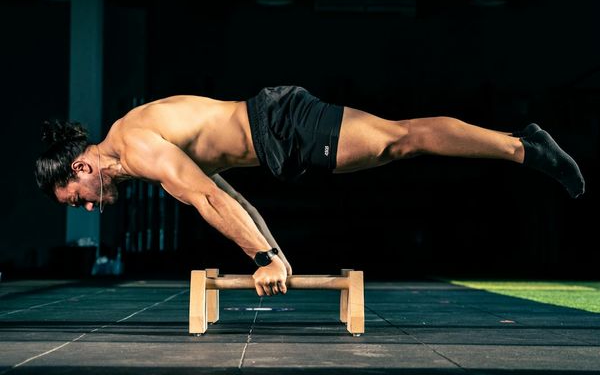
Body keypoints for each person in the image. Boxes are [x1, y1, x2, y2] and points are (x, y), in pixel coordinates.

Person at [35, 86, 585, 296]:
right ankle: (521, 146)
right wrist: (277, 255)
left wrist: (264, 257)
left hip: (281, 125)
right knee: (401, 140)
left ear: (82, 166)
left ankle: (524, 147)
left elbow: (205, 198)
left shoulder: (135, 147)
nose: (87, 207)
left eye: (78, 197)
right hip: (278, 134)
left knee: (401, 139)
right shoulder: (135, 146)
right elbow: (231, 195)